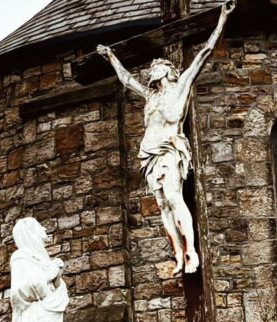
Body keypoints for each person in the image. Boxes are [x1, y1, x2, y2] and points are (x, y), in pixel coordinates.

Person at [97, 0, 235, 275]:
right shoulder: (151, 96)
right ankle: (177, 255)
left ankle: (191, 251)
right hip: (149, 151)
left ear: (168, 70)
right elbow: (126, 80)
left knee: (174, 197)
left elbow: (205, 52)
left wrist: (221, 18)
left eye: (157, 66)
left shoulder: (181, 84)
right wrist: (111, 57)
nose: (151, 70)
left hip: (170, 147)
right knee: (162, 204)